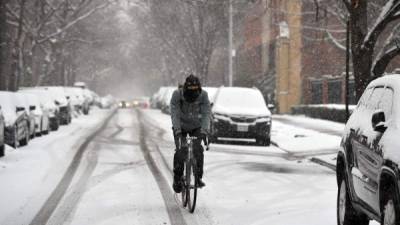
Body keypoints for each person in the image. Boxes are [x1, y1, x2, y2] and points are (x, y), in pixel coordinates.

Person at [170, 74, 211, 193]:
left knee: (198, 149)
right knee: (180, 150)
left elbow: (206, 114)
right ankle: (177, 178)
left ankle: (198, 177)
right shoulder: (177, 95)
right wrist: (177, 131)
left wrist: (204, 131)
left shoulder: (204, 96)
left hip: (196, 126)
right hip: (181, 126)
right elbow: (175, 114)